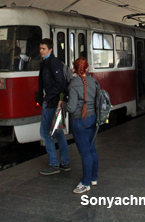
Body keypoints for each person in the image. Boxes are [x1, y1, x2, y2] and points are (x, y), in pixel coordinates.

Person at [59, 57, 98, 194]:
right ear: (87, 68)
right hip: (93, 119)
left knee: (85, 153)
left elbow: (71, 108)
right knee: (92, 149)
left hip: (79, 121)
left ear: (74, 69)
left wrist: (62, 104)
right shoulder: (93, 81)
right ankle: (93, 178)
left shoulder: (74, 83)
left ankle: (85, 183)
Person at [38, 38, 70, 175]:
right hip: (52, 102)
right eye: (40, 48)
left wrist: (46, 99)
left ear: (50, 50)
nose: (41, 51)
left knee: (45, 133)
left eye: (43, 48)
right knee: (58, 132)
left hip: (52, 103)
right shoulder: (45, 63)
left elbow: (60, 84)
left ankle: (54, 164)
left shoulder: (53, 63)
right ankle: (65, 162)